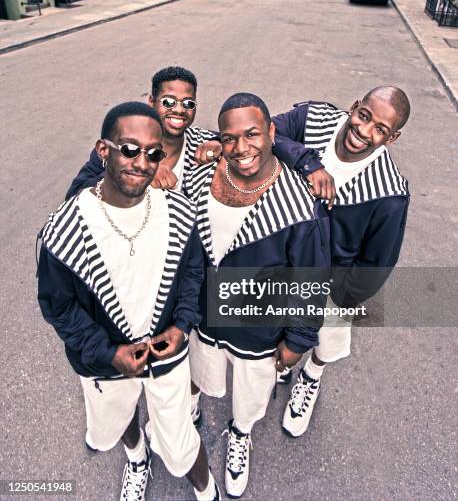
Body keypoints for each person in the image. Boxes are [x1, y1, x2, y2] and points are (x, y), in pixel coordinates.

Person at [38, 102, 220, 501]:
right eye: (130, 149)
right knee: (118, 418)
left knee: (179, 440)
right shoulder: (66, 227)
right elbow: (58, 307)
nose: (143, 162)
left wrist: (182, 324)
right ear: (104, 151)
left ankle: (207, 491)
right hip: (104, 360)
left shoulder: (178, 211)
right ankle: (136, 457)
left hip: (166, 352)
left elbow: (193, 272)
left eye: (154, 153)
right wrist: (110, 351)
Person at [184, 93, 331, 498]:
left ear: (271, 133)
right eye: (229, 138)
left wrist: (298, 340)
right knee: (201, 372)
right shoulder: (203, 176)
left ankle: (240, 434)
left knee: (249, 393)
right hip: (204, 316)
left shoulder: (301, 204)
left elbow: (310, 280)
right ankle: (188, 410)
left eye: (252, 134)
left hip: (259, 328)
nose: (240, 147)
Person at [270, 86, 410, 438]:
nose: (364, 131)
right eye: (364, 116)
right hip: (284, 257)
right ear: (354, 107)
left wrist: (335, 301)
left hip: (334, 282)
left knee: (325, 340)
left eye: (380, 129)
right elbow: (267, 130)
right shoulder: (314, 119)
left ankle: (311, 377)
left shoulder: (389, 193)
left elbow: (376, 265)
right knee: (277, 322)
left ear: (392, 138)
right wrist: (308, 161)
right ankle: (283, 360)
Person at [66, 66, 220, 198]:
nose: (179, 110)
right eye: (168, 102)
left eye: (188, 103)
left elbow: (235, 139)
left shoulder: (202, 140)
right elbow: (75, 194)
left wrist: (219, 144)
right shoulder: (121, 146)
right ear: (152, 101)